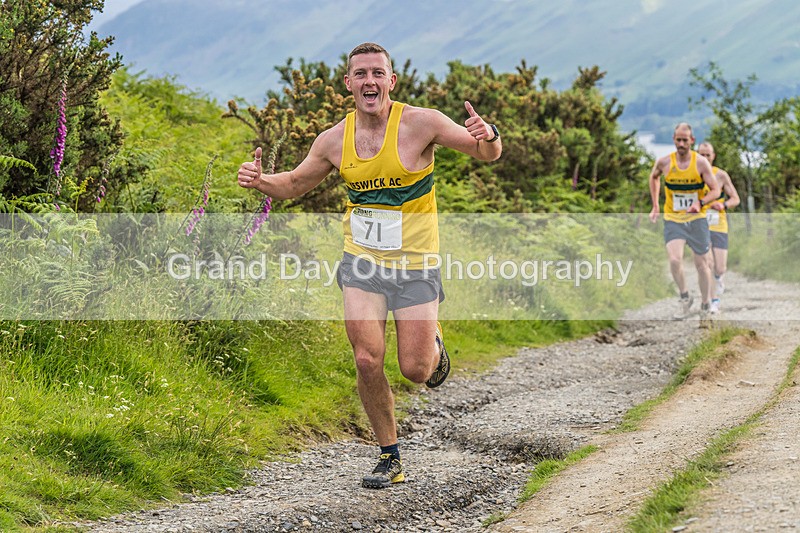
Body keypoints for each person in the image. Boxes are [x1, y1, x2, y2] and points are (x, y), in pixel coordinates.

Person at [237, 42, 502, 489]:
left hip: (416, 263)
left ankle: (434, 341)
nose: (370, 81)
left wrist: (488, 133)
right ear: (348, 84)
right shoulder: (333, 140)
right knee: (366, 358)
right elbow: (296, 183)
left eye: (378, 73)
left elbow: (486, 155)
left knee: (416, 370)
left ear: (391, 81)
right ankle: (389, 456)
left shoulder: (422, 123)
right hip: (362, 261)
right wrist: (261, 181)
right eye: (360, 74)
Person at [649, 123, 721, 320]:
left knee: (702, 264)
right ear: (673, 139)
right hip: (673, 217)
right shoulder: (665, 162)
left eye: (685, 140)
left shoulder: (700, 163)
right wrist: (655, 205)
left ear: (692, 141)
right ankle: (684, 296)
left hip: (696, 218)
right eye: (678, 140)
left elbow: (716, 190)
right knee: (674, 259)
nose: (681, 144)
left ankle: (706, 303)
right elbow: (653, 177)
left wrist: (701, 203)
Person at [697, 141, 740, 314]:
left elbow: (735, 198)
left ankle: (718, 278)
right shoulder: (694, 175)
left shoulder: (721, 175)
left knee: (720, 267)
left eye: (708, 154)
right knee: (708, 263)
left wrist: (724, 206)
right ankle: (713, 301)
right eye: (702, 154)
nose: (705, 158)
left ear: (713, 156)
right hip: (700, 225)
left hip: (719, 224)